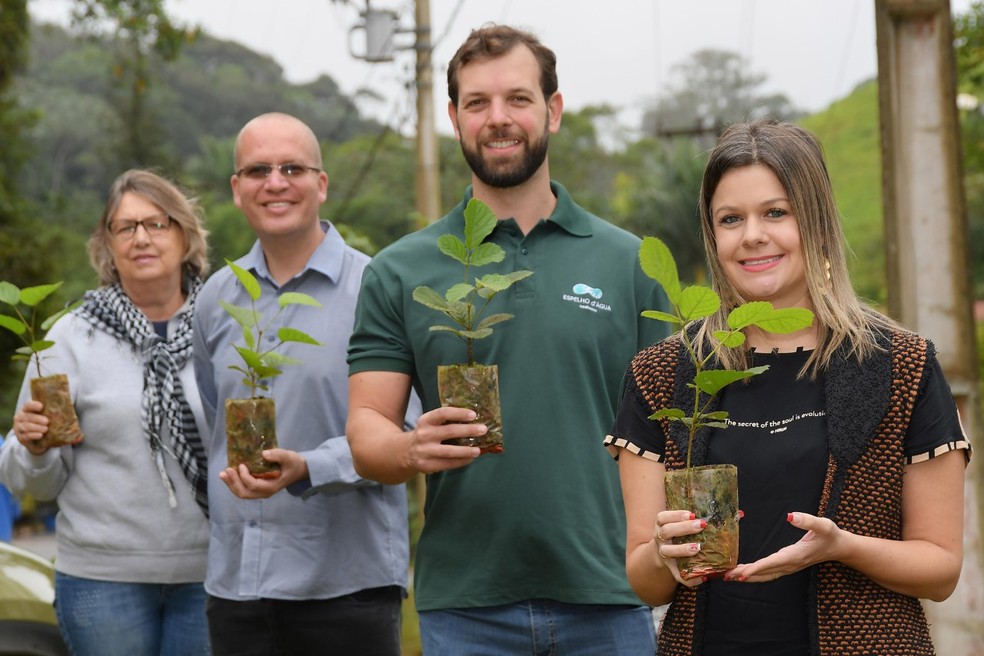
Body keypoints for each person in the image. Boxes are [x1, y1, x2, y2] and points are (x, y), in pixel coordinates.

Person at [346, 24, 668, 655]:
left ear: (553, 110)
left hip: (612, 592)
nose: (498, 118)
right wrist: (410, 447)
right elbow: (365, 429)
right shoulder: (399, 270)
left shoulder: (631, 264)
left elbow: (672, 434)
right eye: (477, 102)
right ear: (454, 118)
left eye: (518, 98)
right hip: (467, 603)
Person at [608, 118, 971, 656]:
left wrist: (841, 546)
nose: (752, 234)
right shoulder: (663, 372)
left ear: (816, 222)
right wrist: (665, 553)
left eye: (776, 212)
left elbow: (940, 570)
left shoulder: (901, 365)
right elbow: (646, 583)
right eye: (731, 219)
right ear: (713, 235)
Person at [192, 112, 413, 656]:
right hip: (238, 587)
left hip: (347, 587)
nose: (275, 182)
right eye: (258, 170)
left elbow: (406, 434)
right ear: (237, 189)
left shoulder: (376, 288)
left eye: (292, 168)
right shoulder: (216, 298)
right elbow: (216, 415)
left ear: (322, 183)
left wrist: (311, 467)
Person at [0, 169, 212, 655]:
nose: (141, 238)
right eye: (125, 227)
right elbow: (31, 483)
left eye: (157, 224)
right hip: (103, 578)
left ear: (185, 236)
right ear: (107, 246)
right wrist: (34, 448)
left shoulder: (223, 327)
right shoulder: (70, 338)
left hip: (212, 572)